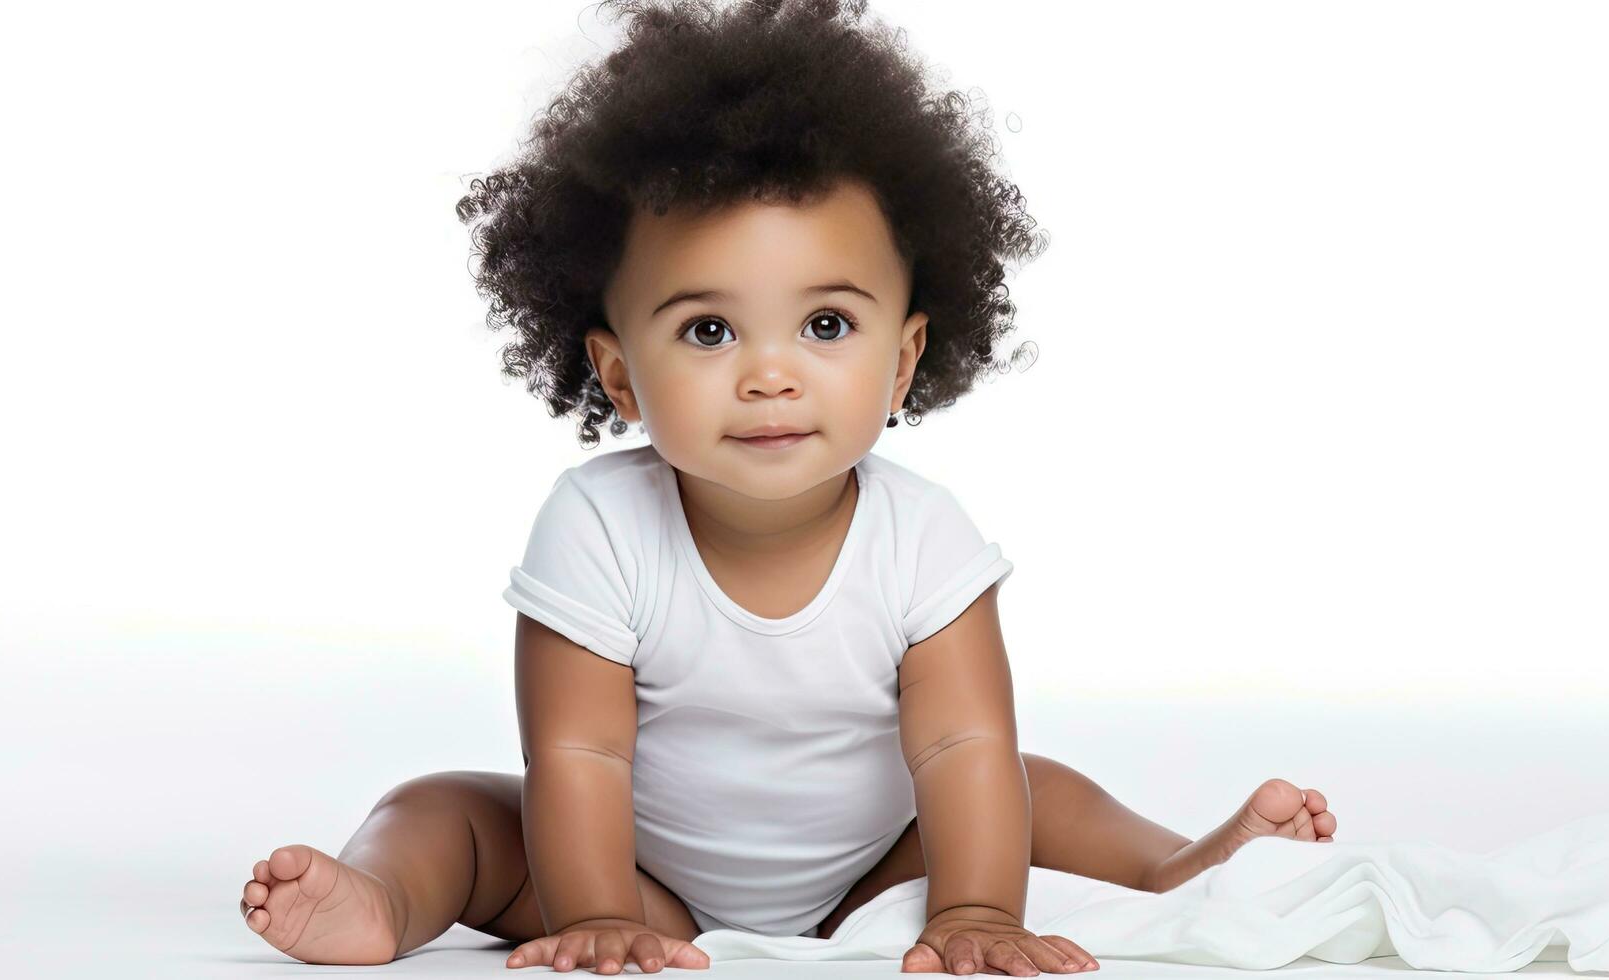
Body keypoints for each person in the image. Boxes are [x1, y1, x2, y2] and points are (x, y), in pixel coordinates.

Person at [237, 1, 1336, 974]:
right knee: (448, 809)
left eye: (824, 324)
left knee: (1020, 783)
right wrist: (603, 911)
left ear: (902, 359)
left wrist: (970, 905)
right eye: (709, 329)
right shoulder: (598, 524)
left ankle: (1181, 865)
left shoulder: (924, 537)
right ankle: (379, 898)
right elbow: (576, 751)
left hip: (877, 871)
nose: (770, 372)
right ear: (619, 371)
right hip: (640, 872)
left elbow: (958, 746)